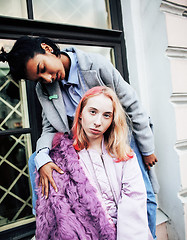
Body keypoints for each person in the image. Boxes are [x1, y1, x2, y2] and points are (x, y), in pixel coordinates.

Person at [0, 36, 158, 239]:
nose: (47, 78)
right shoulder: (45, 89)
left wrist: (147, 150)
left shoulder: (96, 65)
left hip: (121, 137)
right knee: (36, 162)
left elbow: (133, 106)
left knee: (143, 192)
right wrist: (42, 157)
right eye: (39, 78)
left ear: (47, 48)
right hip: (88, 145)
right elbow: (49, 128)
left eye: (43, 68)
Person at [35, 86, 153, 239]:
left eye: (106, 115)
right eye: (92, 112)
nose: (98, 122)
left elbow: (134, 201)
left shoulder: (124, 155)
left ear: (112, 120)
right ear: (80, 114)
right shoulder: (65, 158)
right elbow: (63, 214)